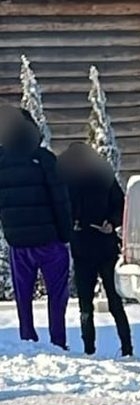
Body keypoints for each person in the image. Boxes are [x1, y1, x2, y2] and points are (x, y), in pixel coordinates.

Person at [0, 106, 72, 349]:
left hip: (18, 243)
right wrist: (65, 235)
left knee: (23, 295)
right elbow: (60, 200)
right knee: (57, 295)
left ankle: (27, 338)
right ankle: (58, 340)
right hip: (50, 240)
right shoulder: (44, 158)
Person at [56, 142, 133, 357]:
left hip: (106, 247)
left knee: (115, 303)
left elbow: (121, 205)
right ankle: (89, 349)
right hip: (81, 249)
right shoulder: (66, 182)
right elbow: (62, 209)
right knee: (85, 306)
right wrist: (70, 224)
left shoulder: (103, 179)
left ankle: (127, 348)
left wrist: (111, 222)